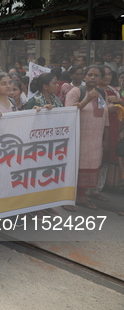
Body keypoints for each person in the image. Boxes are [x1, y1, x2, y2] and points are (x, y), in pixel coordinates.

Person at [64, 66, 109, 211]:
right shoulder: (76, 92)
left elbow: (104, 116)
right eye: (89, 75)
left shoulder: (102, 93)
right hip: (78, 138)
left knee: (88, 167)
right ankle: (67, 198)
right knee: (74, 168)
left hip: (95, 140)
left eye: (96, 75)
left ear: (101, 78)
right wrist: (88, 98)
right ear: (84, 77)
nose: (92, 78)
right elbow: (68, 113)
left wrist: (105, 139)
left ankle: (81, 196)